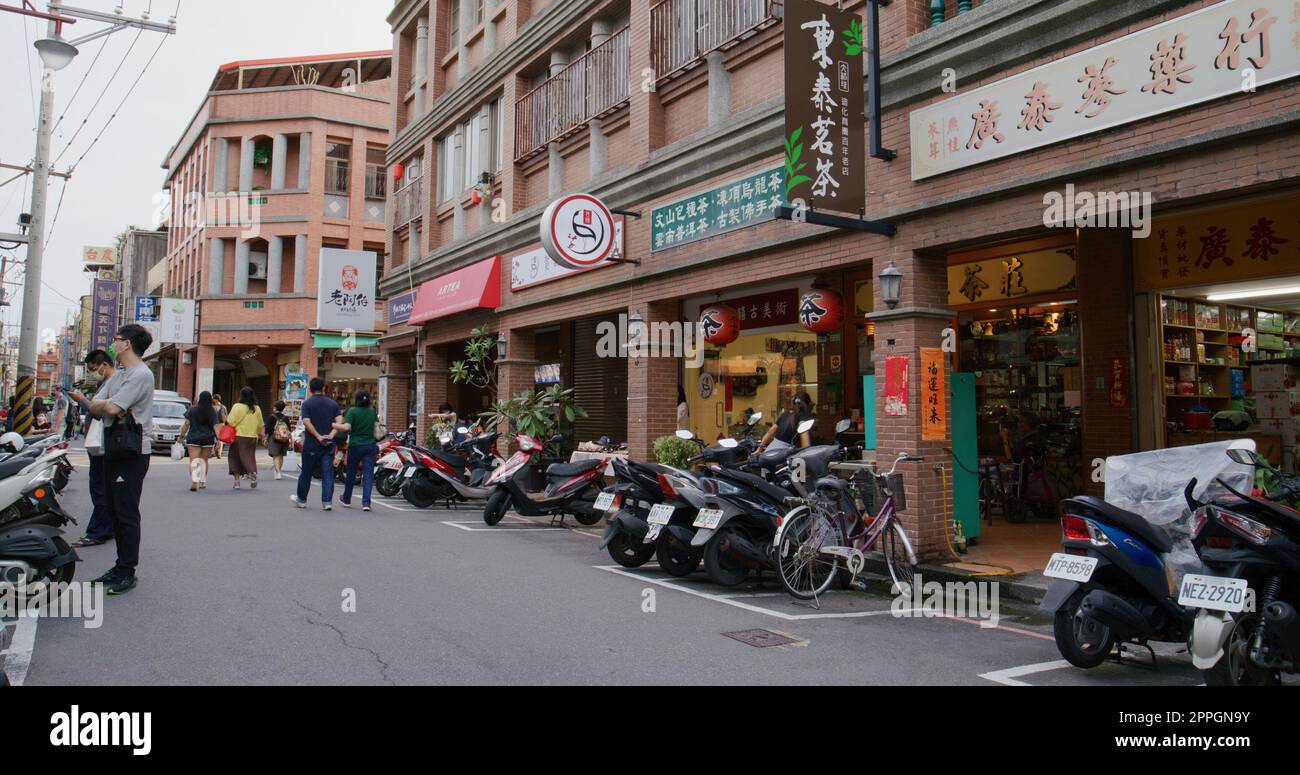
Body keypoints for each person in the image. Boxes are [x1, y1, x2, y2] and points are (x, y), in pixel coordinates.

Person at [83, 324, 154, 595]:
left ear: (128, 344)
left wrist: (110, 404)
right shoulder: (120, 374)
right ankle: (119, 566)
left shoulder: (141, 374)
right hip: (113, 446)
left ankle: (127, 570)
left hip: (133, 452)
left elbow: (109, 407)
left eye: (117, 340)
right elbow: (94, 403)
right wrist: (110, 404)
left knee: (126, 512)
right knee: (113, 509)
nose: (113, 343)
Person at [68, 350, 116, 548]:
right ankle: (107, 527)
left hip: (103, 444)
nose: (92, 373)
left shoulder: (113, 383)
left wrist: (82, 400)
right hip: (102, 443)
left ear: (103, 364)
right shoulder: (107, 383)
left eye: (93, 369)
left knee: (99, 488)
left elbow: (105, 412)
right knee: (103, 488)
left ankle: (98, 531)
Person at [291, 377, 341, 511]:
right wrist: (331, 435)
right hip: (329, 444)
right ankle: (327, 502)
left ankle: (301, 500)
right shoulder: (333, 404)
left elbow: (307, 422)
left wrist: (318, 436)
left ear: (310, 388)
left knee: (306, 472)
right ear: (324, 388)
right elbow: (340, 420)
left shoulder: (307, 404)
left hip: (312, 444)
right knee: (327, 473)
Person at [335, 389, 379, 511]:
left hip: (355, 445)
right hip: (370, 445)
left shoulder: (352, 411)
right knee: (368, 474)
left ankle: (347, 499)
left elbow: (346, 427)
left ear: (357, 399)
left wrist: (333, 425)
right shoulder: (372, 412)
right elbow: (376, 428)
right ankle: (366, 503)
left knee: (351, 473)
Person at [224, 386, 266, 489]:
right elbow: (260, 424)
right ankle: (252, 473)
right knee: (249, 457)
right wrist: (263, 436)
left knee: (235, 458)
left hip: (239, 436)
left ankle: (237, 482)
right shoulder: (257, 408)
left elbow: (231, 422)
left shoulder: (237, 406)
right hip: (252, 437)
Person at [178, 391, 218, 492]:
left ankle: (194, 482)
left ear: (200, 398)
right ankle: (202, 482)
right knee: (204, 460)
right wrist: (219, 439)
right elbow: (215, 426)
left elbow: (186, 424)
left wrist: (181, 436)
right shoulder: (212, 411)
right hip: (208, 438)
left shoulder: (192, 409)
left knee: (194, 461)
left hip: (194, 438)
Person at [265, 400, 291, 480]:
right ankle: (278, 471)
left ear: (275, 408)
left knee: (276, 456)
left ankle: (278, 472)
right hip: (284, 439)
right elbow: (289, 429)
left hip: (274, 439)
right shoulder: (286, 418)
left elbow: (268, 430)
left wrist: (265, 439)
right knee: (281, 455)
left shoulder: (271, 417)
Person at [212, 394, 228, 459]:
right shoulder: (223, 407)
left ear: (216, 399)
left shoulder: (212, 407)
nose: (212, 399)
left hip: (214, 424)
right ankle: (219, 453)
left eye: (213, 398)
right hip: (221, 424)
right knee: (220, 439)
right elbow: (226, 416)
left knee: (212, 438)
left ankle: (213, 452)